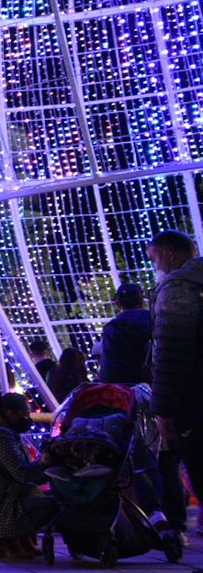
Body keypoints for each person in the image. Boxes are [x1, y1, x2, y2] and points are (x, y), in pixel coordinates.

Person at [149, 229, 203, 546]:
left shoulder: (179, 287)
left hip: (194, 404)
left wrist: (164, 410)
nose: (155, 267)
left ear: (169, 255)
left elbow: (171, 354)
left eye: (154, 258)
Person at [0, 391, 47, 560]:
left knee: (38, 493)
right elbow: (21, 473)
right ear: (11, 413)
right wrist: (44, 463)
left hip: (6, 496)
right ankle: (10, 539)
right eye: (25, 413)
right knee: (48, 505)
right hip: (1, 502)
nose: (28, 417)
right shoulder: (2, 436)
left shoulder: (9, 434)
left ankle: (22, 539)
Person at [99, 282, 153, 385]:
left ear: (118, 304)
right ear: (142, 301)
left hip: (127, 388)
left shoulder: (112, 329)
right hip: (158, 384)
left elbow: (109, 370)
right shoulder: (157, 322)